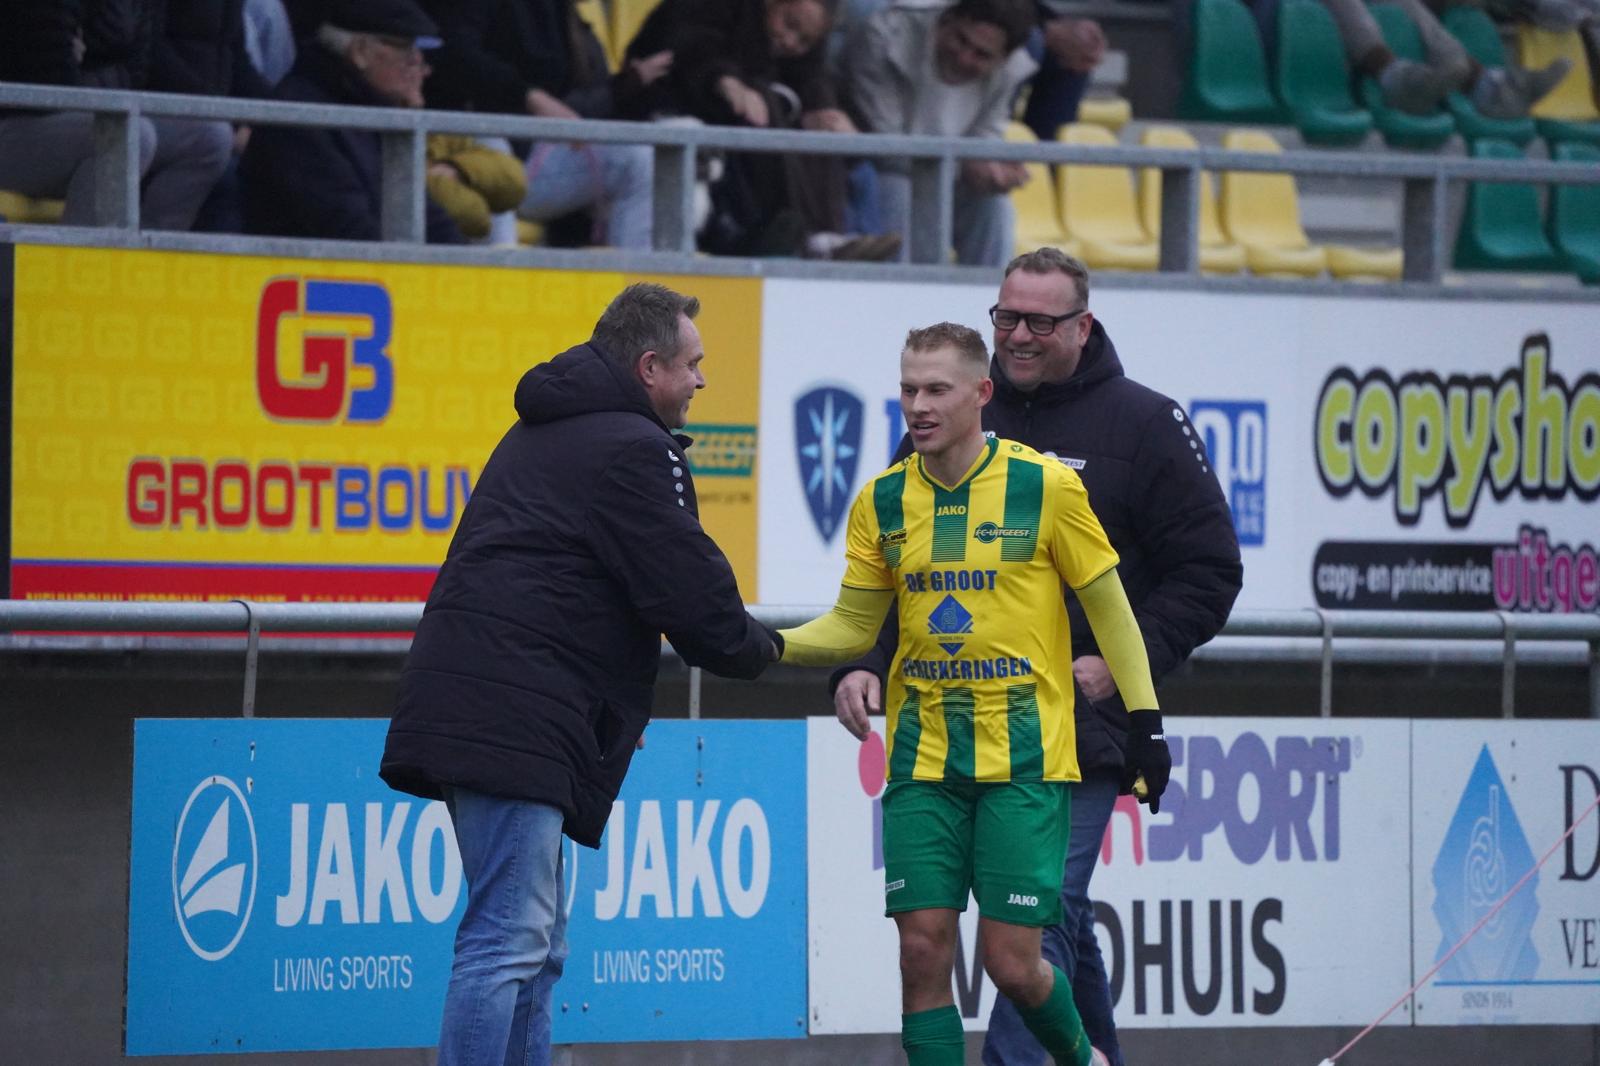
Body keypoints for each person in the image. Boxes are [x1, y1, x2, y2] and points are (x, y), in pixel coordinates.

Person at [832, 248, 1243, 1066]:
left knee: (1030, 938)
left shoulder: (1144, 423)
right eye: (1006, 317)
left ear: (1083, 327)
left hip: (1076, 730)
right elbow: (902, 573)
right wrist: (864, 661)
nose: (1018, 335)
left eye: (1040, 322)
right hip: (951, 733)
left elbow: (1210, 571)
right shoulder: (946, 418)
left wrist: (1123, 666)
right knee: (1053, 932)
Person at [380, 282, 782, 1066]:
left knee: (535, 944)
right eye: (693, 365)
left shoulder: (556, 427)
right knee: (508, 940)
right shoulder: (634, 448)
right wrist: (769, 648)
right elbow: (692, 597)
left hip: (506, 705)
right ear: (649, 367)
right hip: (513, 714)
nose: (702, 381)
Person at [776, 320, 1172, 1066]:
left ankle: (1083, 1059)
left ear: (982, 392)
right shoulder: (882, 500)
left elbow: (1112, 612)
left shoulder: (1046, 487)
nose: (918, 406)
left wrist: (1146, 723)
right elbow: (853, 623)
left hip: (1026, 761)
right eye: (907, 390)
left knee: (1013, 966)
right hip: (922, 760)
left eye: (936, 390)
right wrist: (765, 645)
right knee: (921, 951)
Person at [422, 0, 671, 249]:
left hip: (535, 156)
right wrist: (528, 96)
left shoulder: (564, 15)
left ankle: (638, 271)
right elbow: (453, 53)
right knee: (493, 154)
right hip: (459, 145)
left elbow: (576, 104)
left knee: (640, 159)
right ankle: (500, 268)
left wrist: (628, 85)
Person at [238, 0, 464, 243]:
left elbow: (426, 216)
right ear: (360, 52)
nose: (420, 64)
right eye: (404, 48)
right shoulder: (300, 121)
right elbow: (349, 229)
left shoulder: (378, 113)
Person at [0, 0, 235, 231]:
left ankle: (147, 249)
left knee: (211, 137)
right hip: (16, 122)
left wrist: (87, 59)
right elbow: (50, 78)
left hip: (83, 114)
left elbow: (139, 70)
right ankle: (85, 252)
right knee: (126, 135)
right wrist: (106, 68)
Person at [842, 0, 1039, 266]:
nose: (964, 58)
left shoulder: (1012, 70)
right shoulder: (885, 35)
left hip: (945, 172)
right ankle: (897, 285)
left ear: (1004, 59)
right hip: (876, 172)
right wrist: (968, 162)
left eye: (981, 55)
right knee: (895, 186)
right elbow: (886, 143)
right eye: (961, 39)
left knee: (993, 203)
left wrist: (990, 168)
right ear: (946, 19)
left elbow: (985, 134)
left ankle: (991, 287)